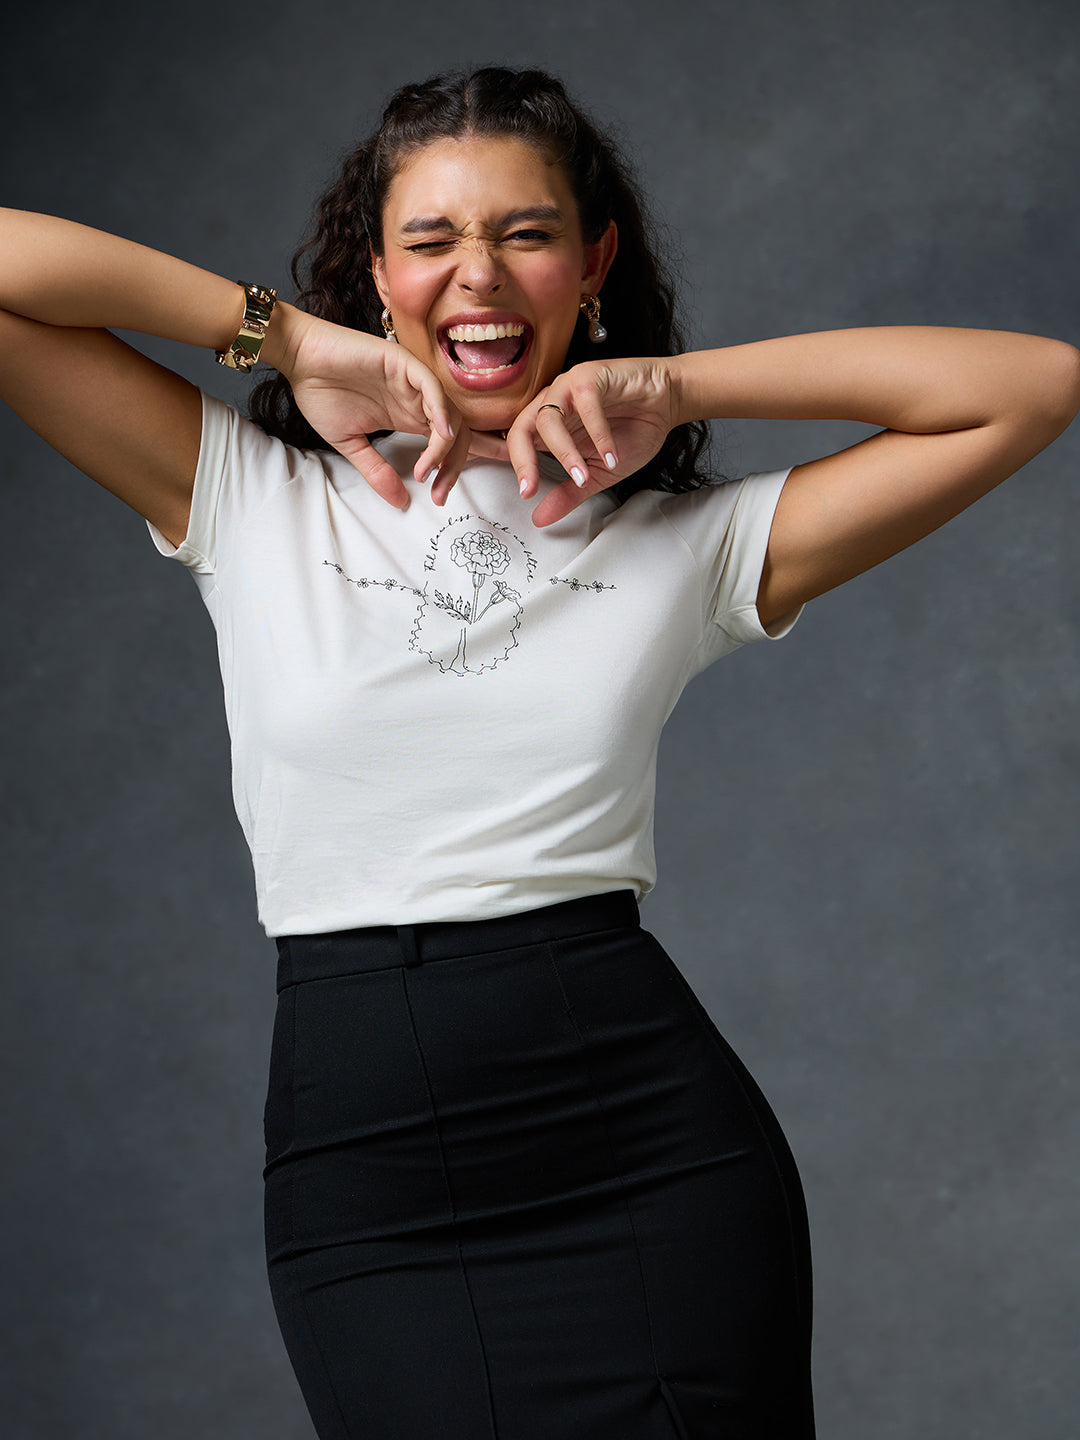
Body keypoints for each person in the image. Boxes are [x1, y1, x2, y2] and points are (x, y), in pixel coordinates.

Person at [1, 63, 1076, 1440]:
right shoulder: (249, 497)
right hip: (369, 1175)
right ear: (376, 274)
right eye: (432, 241)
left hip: (645, 1150)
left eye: (525, 233)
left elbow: (1031, 385)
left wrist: (675, 386)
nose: (479, 278)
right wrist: (278, 340)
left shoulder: (686, 547)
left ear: (593, 261)